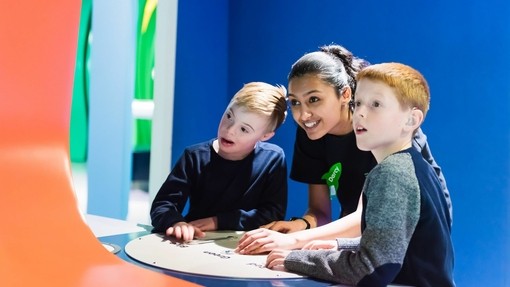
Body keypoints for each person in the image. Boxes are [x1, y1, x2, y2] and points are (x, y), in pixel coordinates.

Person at [236, 44, 451, 254]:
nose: (303, 115)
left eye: (314, 99)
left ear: (346, 95)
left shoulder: (386, 131)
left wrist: (292, 241)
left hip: (409, 243)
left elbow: (373, 216)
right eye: (295, 103)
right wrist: (302, 225)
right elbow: (321, 212)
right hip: (359, 239)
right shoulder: (311, 132)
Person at [265, 62, 455, 286]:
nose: (360, 113)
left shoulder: (393, 173)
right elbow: (399, 241)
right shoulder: (409, 166)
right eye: (358, 103)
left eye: (375, 104)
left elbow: (371, 269)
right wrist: (345, 244)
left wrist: (295, 258)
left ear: (411, 120)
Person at [150, 82, 288, 242]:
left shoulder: (273, 158)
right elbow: (163, 204)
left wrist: (219, 221)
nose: (229, 130)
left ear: (265, 136)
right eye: (229, 116)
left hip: (242, 247)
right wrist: (176, 222)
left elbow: (273, 214)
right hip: (195, 241)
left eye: (244, 129)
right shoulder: (194, 156)